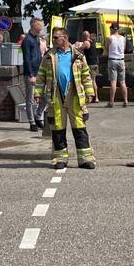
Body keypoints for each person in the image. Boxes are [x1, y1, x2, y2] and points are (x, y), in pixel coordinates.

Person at [34, 27, 96, 169]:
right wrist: (37, 92)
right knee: (58, 128)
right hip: (56, 96)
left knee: (79, 127)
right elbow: (41, 75)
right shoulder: (49, 55)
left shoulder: (77, 54)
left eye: (56, 37)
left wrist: (90, 92)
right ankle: (60, 158)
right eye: (53, 37)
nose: (53, 40)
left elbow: (86, 74)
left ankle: (85, 158)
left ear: (65, 38)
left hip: (74, 95)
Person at [21, 17, 45, 132]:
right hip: (31, 73)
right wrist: (31, 75)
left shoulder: (37, 39)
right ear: (33, 25)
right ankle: (31, 122)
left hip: (39, 72)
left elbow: (38, 55)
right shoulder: (27, 40)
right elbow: (27, 59)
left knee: (45, 96)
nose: (41, 27)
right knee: (30, 98)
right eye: (40, 25)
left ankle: (38, 116)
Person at [106, 24, 128, 108]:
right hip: (121, 60)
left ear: (112, 29)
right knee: (122, 82)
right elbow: (124, 49)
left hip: (112, 60)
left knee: (113, 81)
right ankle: (125, 100)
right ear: (118, 29)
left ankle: (111, 101)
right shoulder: (123, 38)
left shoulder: (110, 38)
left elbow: (107, 48)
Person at [77, 30, 100, 103]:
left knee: (90, 81)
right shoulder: (93, 42)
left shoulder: (86, 42)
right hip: (95, 63)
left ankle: (94, 97)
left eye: (82, 36)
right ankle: (95, 97)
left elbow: (79, 50)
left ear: (84, 36)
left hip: (90, 64)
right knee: (94, 81)